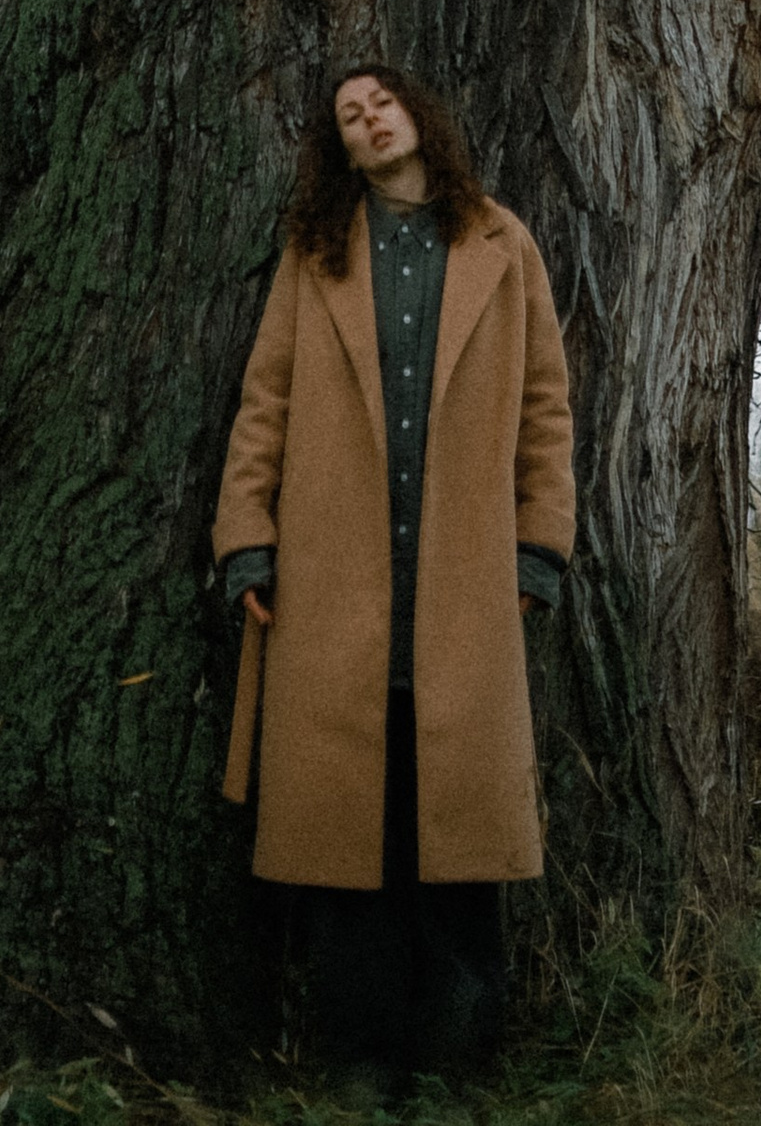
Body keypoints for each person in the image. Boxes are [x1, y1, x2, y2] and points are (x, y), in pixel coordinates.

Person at [213, 60, 576, 1094]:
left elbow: (548, 413)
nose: (368, 122)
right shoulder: (316, 254)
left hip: (466, 593)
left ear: (418, 115)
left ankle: (458, 1075)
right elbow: (263, 405)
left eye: (380, 103)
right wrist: (247, 540)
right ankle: (358, 1074)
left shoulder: (503, 245)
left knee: (459, 854)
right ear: (339, 147)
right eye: (347, 117)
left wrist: (538, 549)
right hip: (330, 595)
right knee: (347, 852)